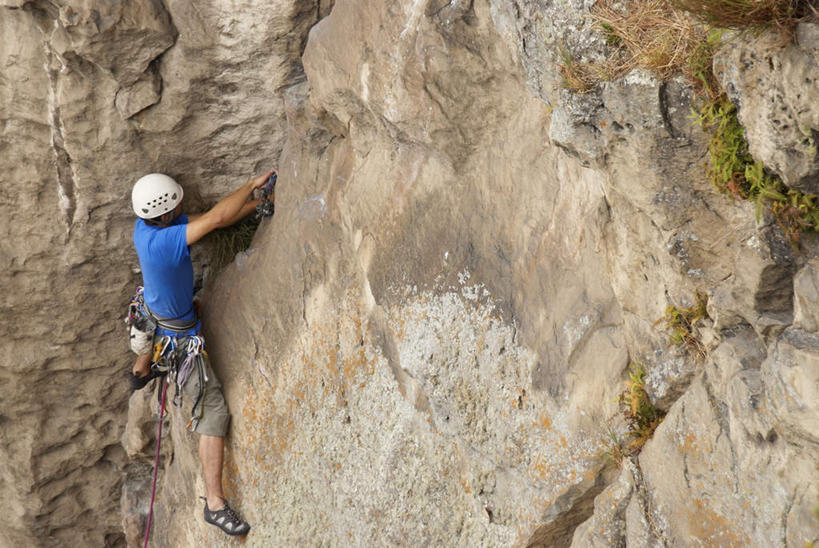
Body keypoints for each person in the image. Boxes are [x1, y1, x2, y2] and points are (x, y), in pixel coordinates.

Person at [128, 170, 274, 536]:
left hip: (158, 311)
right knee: (213, 413)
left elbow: (207, 220)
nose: (181, 207)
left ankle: (142, 368)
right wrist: (250, 186)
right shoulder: (165, 243)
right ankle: (214, 503)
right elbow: (216, 219)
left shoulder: (147, 228)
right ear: (162, 213)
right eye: (174, 205)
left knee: (154, 318)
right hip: (180, 337)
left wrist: (256, 205)